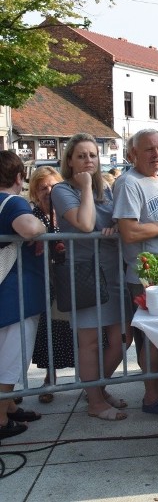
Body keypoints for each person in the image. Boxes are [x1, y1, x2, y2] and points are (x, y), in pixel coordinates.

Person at [52, 133, 128, 421]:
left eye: (92, 155)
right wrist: (85, 186)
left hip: (111, 270)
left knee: (123, 337)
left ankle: (97, 388)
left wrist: (116, 227)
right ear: (69, 160)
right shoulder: (62, 190)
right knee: (90, 342)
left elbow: (116, 221)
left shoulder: (106, 189)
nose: (87, 161)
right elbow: (85, 224)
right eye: (81, 155)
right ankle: (95, 401)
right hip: (83, 273)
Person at [113, 129, 158, 417]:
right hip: (145, 275)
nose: (156, 154)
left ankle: (157, 387)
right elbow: (129, 232)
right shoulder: (129, 183)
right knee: (152, 338)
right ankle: (152, 397)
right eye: (149, 149)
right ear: (132, 154)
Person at [0, 150, 48, 439]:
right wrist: (41, 226)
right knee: (12, 357)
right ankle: (1, 418)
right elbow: (29, 228)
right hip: (15, 291)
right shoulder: (12, 201)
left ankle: (8, 408)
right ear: (20, 177)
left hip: (7, 290)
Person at [27, 167, 72, 404]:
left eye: (53, 186)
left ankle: (91, 381)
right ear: (34, 191)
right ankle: (49, 379)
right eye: (43, 187)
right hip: (44, 280)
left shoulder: (66, 212)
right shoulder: (33, 215)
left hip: (68, 277)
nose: (48, 191)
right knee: (48, 331)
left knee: (73, 329)